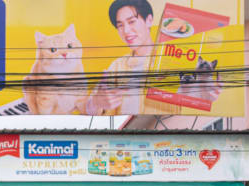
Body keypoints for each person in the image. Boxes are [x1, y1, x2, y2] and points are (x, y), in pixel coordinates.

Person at [85, 0, 220, 115]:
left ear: (149, 20)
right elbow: (87, 110)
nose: (126, 31)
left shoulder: (177, 58)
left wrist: (205, 96)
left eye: (131, 22)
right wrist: (96, 102)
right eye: (120, 25)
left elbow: (190, 100)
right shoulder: (116, 66)